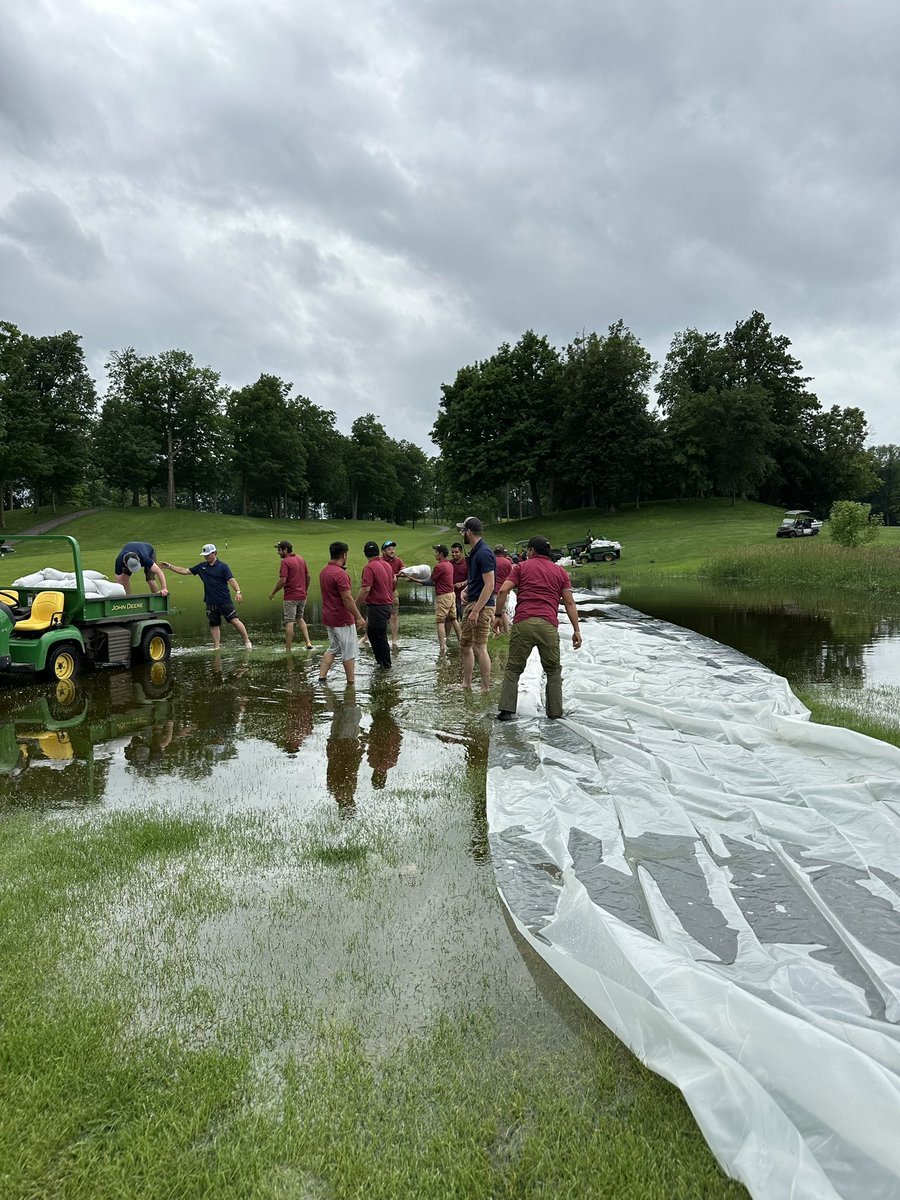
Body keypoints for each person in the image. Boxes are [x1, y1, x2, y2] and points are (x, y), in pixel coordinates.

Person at [492, 534, 582, 721]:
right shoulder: (560, 572)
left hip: (524, 622)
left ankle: (507, 711)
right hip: (548, 625)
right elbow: (570, 603)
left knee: (514, 669)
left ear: (532, 551)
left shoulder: (522, 567)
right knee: (553, 670)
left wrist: (498, 615)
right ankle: (555, 713)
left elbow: (502, 590)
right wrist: (576, 630)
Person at [161, 544, 251, 649]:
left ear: (215, 553)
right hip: (210, 601)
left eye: (208, 555)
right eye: (204, 555)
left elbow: (231, 579)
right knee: (214, 624)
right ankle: (217, 647)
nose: (206, 557)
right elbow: (185, 571)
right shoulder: (201, 567)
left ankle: (246, 640)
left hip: (224, 601)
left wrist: (238, 591)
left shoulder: (223, 566)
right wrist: (170, 566)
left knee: (234, 620)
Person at [318, 541, 366, 684]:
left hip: (329, 617)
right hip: (342, 618)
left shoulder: (324, 571)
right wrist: (358, 617)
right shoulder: (340, 574)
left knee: (334, 647)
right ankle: (351, 682)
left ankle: (322, 677)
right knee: (349, 652)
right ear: (344, 555)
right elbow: (347, 598)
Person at [457, 515, 495, 692]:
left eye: (462, 530)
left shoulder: (484, 553)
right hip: (473, 603)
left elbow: (490, 585)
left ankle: (485, 687)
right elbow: (478, 580)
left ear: (469, 531)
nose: (461, 534)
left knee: (480, 647)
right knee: (465, 645)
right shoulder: (475, 552)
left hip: (482, 607)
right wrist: (467, 590)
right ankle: (467, 683)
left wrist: (476, 610)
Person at [268, 539, 313, 651]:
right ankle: (308, 642)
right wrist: (305, 590)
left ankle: (288, 648)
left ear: (285, 550)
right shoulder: (300, 558)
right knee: (300, 618)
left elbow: (283, 581)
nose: (278, 552)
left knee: (289, 621)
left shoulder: (285, 562)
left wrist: (273, 592)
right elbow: (308, 577)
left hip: (290, 597)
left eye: (279, 550)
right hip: (302, 596)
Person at [356, 540, 395, 669]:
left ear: (365, 554)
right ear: (378, 552)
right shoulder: (386, 565)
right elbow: (393, 581)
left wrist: (355, 605)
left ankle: (386, 665)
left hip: (377, 606)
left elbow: (366, 589)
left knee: (379, 636)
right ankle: (380, 662)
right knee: (373, 634)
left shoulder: (369, 567)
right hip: (386, 605)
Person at [431, 544, 461, 654]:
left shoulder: (440, 566)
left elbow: (431, 580)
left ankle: (442, 648)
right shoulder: (449, 564)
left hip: (443, 596)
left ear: (441, 554)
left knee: (440, 621)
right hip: (452, 594)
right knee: (453, 619)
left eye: (436, 552)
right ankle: (460, 641)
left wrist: (414, 579)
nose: (435, 554)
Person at [381, 540, 405, 651]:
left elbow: (403, 571)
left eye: (393, 549)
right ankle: (367, 637)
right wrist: (392, 575)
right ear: (384, 551)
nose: (392, 551)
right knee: (377, 617)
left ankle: (394, 640)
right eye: (389, 549)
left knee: (394, 616)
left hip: (393, 592)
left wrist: (405, 571)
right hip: (381, 592)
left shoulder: (397, 560)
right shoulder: (380, 562)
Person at [493, 544, 513, 634]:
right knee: (504, 612)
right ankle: (506, 631)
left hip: (494, 591)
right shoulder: (507, 562)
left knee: (495, 612)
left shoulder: (492, 561)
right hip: (505, 591)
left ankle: (496, 631)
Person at [449, 541, 468, 622]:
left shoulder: (467, 563)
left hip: (463, 597)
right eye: (452, 552)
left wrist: (462, 583)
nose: (454, 554)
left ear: (461, 552)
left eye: (456, 552)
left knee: (464, 619)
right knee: (451, 619)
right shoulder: (449, 563)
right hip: (451, 596)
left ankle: (464, 634)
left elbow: (471, 579)